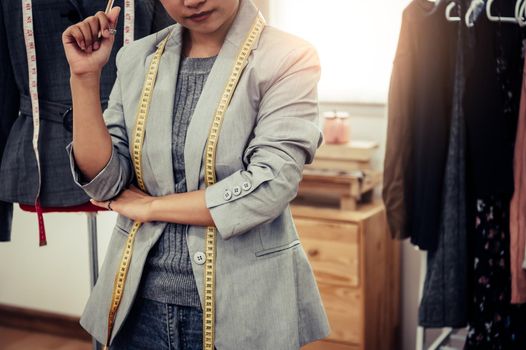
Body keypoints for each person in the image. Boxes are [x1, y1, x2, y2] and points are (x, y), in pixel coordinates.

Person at [62, 0, 329, 348]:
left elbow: (269, 188)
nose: (191, 1)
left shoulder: (288, 57)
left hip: (244, 308)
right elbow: (107, 182)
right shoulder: (137, 58)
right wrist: (84, 78)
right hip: (136, 306)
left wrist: (151, 207)